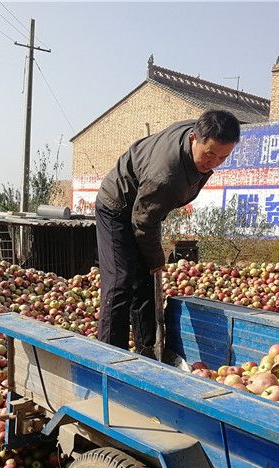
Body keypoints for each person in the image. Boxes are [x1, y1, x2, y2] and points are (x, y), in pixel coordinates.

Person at [95, 109, 240, 355]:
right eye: (209, 154)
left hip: (144, 206)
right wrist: (156, 259)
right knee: (120, 280)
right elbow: (143, 221)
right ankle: (109, 358)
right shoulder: (166, 175)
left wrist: (150, 263)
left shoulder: (194, 137)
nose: (213, 163)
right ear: (195, 138)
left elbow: (146, 216)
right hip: (117, 206)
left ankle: (147, 349)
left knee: (146, 280)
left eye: (222, 158)